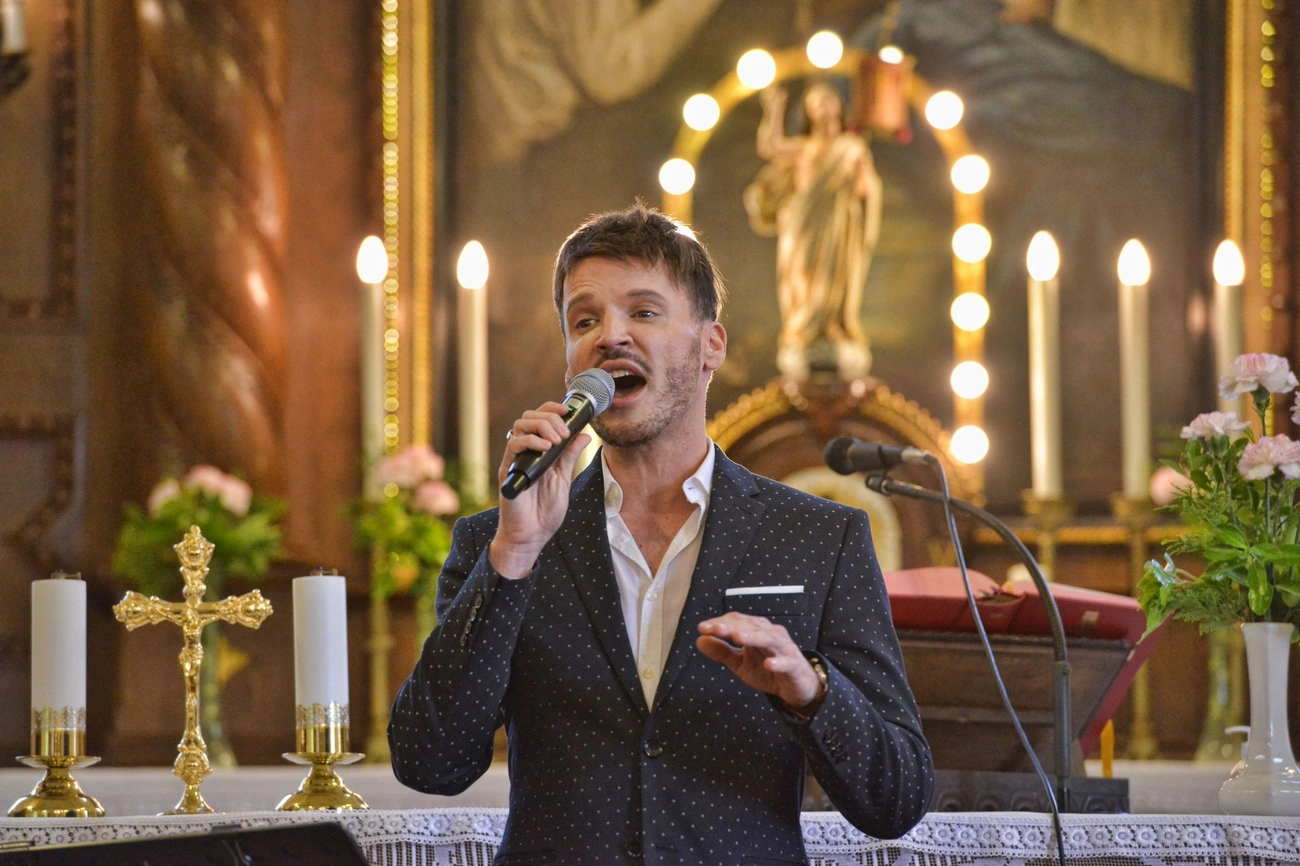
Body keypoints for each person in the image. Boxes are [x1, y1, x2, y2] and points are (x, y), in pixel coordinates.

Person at [389, 205, 932, 866]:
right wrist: (515, 555)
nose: (609, 336)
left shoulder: (820, 537)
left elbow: (897, 798)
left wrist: (810, 689)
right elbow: (429, 762)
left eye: (644, 312)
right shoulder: (498, 543)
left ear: (711, 346)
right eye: (584, 321)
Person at [744, 83, 882, 383]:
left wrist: (861, 182)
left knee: (832, 276)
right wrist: (774, 110)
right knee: (802, 274)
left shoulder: (851, 147)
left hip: (836, 223)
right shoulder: (804, 146)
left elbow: (865, 189)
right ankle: (804, 328)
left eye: (827, 100)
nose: (822, 106)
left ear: (839, 107)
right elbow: (770, 146)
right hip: (802, 220)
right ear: (808, 112)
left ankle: (831, 327)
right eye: (814, 102)